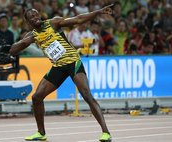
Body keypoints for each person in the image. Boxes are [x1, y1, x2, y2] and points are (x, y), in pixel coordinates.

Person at [9, 4, 113, 142]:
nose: (35, 18)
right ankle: (41, 133)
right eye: (31, 17)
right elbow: (15, 48)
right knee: (36, 97)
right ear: (28, 22)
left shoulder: (53, 23)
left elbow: (78, 19)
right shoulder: (32, 35)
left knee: (87, 95)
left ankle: (106, 133)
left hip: (72, 63)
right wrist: (7, 49)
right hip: (58, 67)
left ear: (39, 15)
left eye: (36, 15)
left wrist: (98, 12)